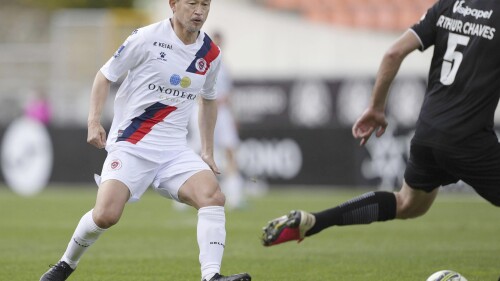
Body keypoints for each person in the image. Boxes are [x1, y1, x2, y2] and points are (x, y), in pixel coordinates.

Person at [39, 1, 251, 281]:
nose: (199, 10)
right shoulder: (146, 38)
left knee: (212, 196)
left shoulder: (210, 54)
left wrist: (208, 151)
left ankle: (211, 276)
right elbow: (104, 76)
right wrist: (93, 121)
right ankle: (65, 263)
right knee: (106, 215)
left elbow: (209, 100)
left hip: (174, 151)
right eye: (192, 3)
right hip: (131, 145)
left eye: (205, 4)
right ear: (173, 4)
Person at [261, 0, 500, 247]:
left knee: (408, 204)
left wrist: (376, 107)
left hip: (428, 133)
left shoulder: (448, 6)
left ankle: (316, 221)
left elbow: (393, 53)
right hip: (468, 137)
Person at [184, 31, 245, 211]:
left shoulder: (224, 66)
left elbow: (229, 93)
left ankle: (234, 194)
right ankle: (185, 191)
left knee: (230, 150)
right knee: (196, 150)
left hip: (223, 112)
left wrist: (233, 115)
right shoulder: (199, 62)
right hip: (203, 109)